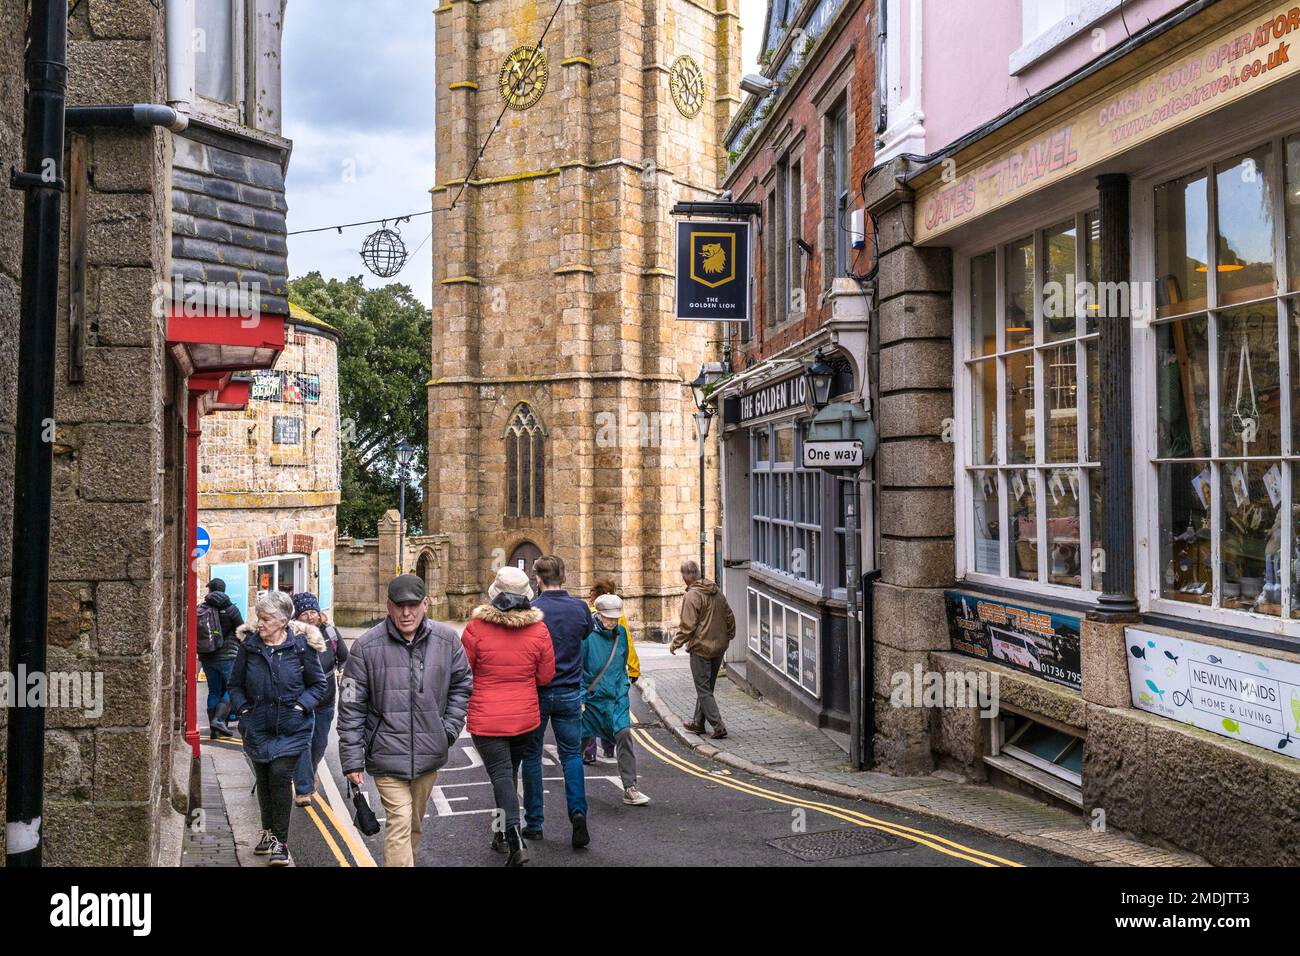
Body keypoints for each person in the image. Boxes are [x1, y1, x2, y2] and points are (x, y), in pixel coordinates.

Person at [338, 574, 473, 868]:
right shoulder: (364, 647)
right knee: (399, 820)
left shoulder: (447, 640)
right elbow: (350, 705)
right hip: (386, 755)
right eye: (399, 606)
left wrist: (447, 730)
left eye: (413, 605)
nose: (406, 613)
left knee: (413, 824)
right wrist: (351, 760)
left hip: (429, 753)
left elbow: (463, 684)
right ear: (389, 606)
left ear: (425, 604)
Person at [461, 567, 556, 866]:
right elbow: (545, 676)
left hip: (487, 719)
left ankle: (514, 837)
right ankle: (500, 833)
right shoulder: (539, 630)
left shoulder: (476, 629)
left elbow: (464, 673)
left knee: (502, 777)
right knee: (507, 775)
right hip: (524, 718)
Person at [228, 590, 328, 866]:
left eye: (267, 618)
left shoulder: (300, 648)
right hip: (258, 727)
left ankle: (280, 844)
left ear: (283, 621)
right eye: (259, 618)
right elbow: (235, 685)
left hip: (292, 728)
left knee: (280, 779)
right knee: (264, 781)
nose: (260, 623)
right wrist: (245, 712)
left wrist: (300, 708)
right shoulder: (249, 647)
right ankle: (269, 833)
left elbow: (319, 685)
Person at [523, 554, 594, 849]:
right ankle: (577, 813)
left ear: (538, 579)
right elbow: (586, 633)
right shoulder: (580, 608)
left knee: (531, 756)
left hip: (538, 692)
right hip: (569, 692)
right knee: (572, 757)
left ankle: (535, 823)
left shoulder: (532, 610)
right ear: (563, 576)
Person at [582, 593, 650, 806]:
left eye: (615, 617)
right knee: (580, 744)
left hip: (616, 698)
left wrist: (624, 687)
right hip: (592, 700)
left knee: (623, 734)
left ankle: (630, 788)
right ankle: (573, 786)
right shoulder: (586, 636)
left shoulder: (620, 632)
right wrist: (581, 697)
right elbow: (580, 668)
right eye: (608, 617)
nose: (612, 622)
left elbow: (621, 663)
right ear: (598, 614)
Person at [291, 592, 349, 807]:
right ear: (297, 616)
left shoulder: (331, 633)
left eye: (313, 611)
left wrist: (343, 670)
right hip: (302, 700)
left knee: (319, 744)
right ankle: (303, 789)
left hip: (325, 699)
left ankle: (307, 772)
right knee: (302, 744)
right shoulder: (293, 636)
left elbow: (344, 658)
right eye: (304, 613)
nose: (309, 616)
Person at [670, 560, 736, 740]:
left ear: (685, 577)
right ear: (698, 573)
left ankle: (718, 725)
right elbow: (729, 615)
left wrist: (675, 643)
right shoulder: (716, 591)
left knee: (703, 688)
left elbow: (688, 626)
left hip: (701, 648)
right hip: (720, 646)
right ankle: (698, 723)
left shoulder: (692, 596)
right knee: (706, 688)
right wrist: (729, 634)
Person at [584, 577, 639, 764]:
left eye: (591, 591)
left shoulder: (589, 613)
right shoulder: (617, 615)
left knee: (592, 715)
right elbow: (627, 645)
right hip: (609, 676)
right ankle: (608, 749)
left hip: (593, 677)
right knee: (609, 712)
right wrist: (634, 668)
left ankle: (589, 752)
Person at [198, 579, 243, 739]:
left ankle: (214, 730)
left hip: (207, 656)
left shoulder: (202, 608)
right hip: (227, 657)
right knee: (232, 687)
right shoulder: (231, 609)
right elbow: (241, 631)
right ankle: (219, 720)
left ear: (210, 590)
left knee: (214, 690)